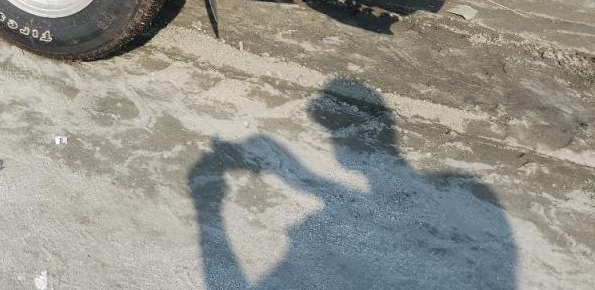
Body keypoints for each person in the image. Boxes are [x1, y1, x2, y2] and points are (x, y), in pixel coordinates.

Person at [189, 78, 516, 290]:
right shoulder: (446, 201)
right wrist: (288, 170)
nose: (333, 145)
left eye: (331, 136)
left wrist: (207, 204)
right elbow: (361, 200)